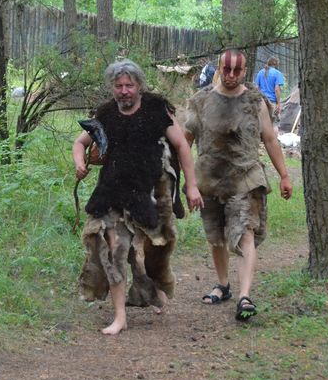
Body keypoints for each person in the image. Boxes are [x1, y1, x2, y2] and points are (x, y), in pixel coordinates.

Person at [73, 59, 204, 335]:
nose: (124, 91)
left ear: (139, 86)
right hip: (111, 192)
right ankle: (120, 316)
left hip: (148, 194)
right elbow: (80, 142)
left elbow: (181, 145)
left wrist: (191, 186)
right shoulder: (106, 113)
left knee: (144, 256)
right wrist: (80, 163)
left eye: (129, 85)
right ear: (113, 88)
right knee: (113, 248)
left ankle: (152, 290)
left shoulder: (156, 110)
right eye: (119, 86)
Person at [184, 49, 293, 321]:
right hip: (209, 178)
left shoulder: (255, 101)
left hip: (245, 177)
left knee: (245, 232)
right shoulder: (200, 100)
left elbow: (269, 139)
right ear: (219, 68)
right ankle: (223, 285)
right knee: (216, 237)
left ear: (245, 71)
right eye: (226, 70)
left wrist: (284, 175)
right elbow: (184, 142)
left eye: (237, 71)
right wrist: (186, 182)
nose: (231, 75)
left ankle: (245, 296)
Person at [255, 56, 285, 136]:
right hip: (272, 102)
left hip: (261, 101)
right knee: (274, 123)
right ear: (276, 64)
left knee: (261, 122)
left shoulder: (260, 72)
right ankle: (274, 142)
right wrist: (279, 104)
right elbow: (277, 89)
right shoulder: (277, 74)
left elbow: (257, 88)